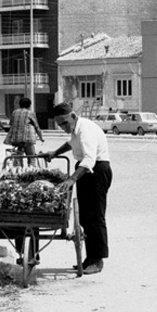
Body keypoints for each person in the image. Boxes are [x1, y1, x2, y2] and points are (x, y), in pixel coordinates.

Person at [41, 102, 113, 275]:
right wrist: (54, 153)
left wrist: (72, 179)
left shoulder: (86, 130)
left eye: (65, 123)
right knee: (85, 217)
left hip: (96, 171)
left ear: (73, 116)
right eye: (60, 125)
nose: (64, 127)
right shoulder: (76, 130)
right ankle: (90, 258)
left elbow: (89, 159)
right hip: (85, 171)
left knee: (95, 216)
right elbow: (70, 144)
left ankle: (97, 260)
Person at [4, 97, 44, 166]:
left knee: (19, 155)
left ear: (20, 104)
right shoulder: (30, 113)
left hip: (16, 139)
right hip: (28, 139)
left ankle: (18, 168)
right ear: (29, 105)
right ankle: (31, 169)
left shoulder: (14, 112)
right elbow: (37, 127)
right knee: (31, 157)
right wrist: (41, 138)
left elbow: (11, 124)